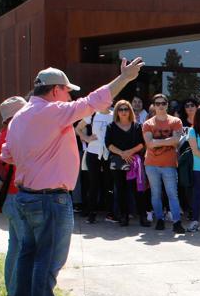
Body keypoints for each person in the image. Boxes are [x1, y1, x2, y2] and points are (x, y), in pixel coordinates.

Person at [2, 59, 144, 296]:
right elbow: (92, 101)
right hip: (50, 198)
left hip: (25, 195)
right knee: (49, 258)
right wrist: (124, 78)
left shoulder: (19, 116)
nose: (70, 96)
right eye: (67, 91)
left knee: (28, 252)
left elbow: (7, 155)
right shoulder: (54, 111)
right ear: (56, 90)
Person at [0, 96, 27, 296]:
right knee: (25, 247)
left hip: (10, 198)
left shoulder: (3, 132)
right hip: (17, 197)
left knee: (15, 246)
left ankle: (12, 294)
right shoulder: (14, 132)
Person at [141, 94, 186, 234]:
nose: (160, 106)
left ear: (167, 105)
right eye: (157, 103)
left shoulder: (176, 121)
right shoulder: (147, 123)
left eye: (163, 103)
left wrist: (157, 142)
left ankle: (177, 222)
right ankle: (159, 219)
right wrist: (168, 140)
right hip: (151, 164)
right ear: (154, 105)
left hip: (169, 164)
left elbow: (176, 141)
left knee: (172, 194)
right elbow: (149, 143)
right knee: (155, 194)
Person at [104, 99, 146, 227]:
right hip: (118, 163)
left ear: (130, 111)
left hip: (134, 162)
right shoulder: (111, 126)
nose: (123, 112)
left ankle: (143, 217)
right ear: (117, 111)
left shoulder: (137, 126)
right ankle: (124, 217)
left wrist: (129, 152)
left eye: (126, 109)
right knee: (120, 190)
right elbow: (108, 144)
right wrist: (122, 153)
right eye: (121, 109)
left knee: (138, 190)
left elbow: (141, 144)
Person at [75, 103, 113, 223]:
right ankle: (92, 213)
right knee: (93, 184)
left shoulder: (115, 115)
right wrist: (86, 138)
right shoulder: (92, 114)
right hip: (93, 152)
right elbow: (77, 128)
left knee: (109, 183)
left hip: (109, 153)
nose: (107, 103)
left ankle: (111, 213)